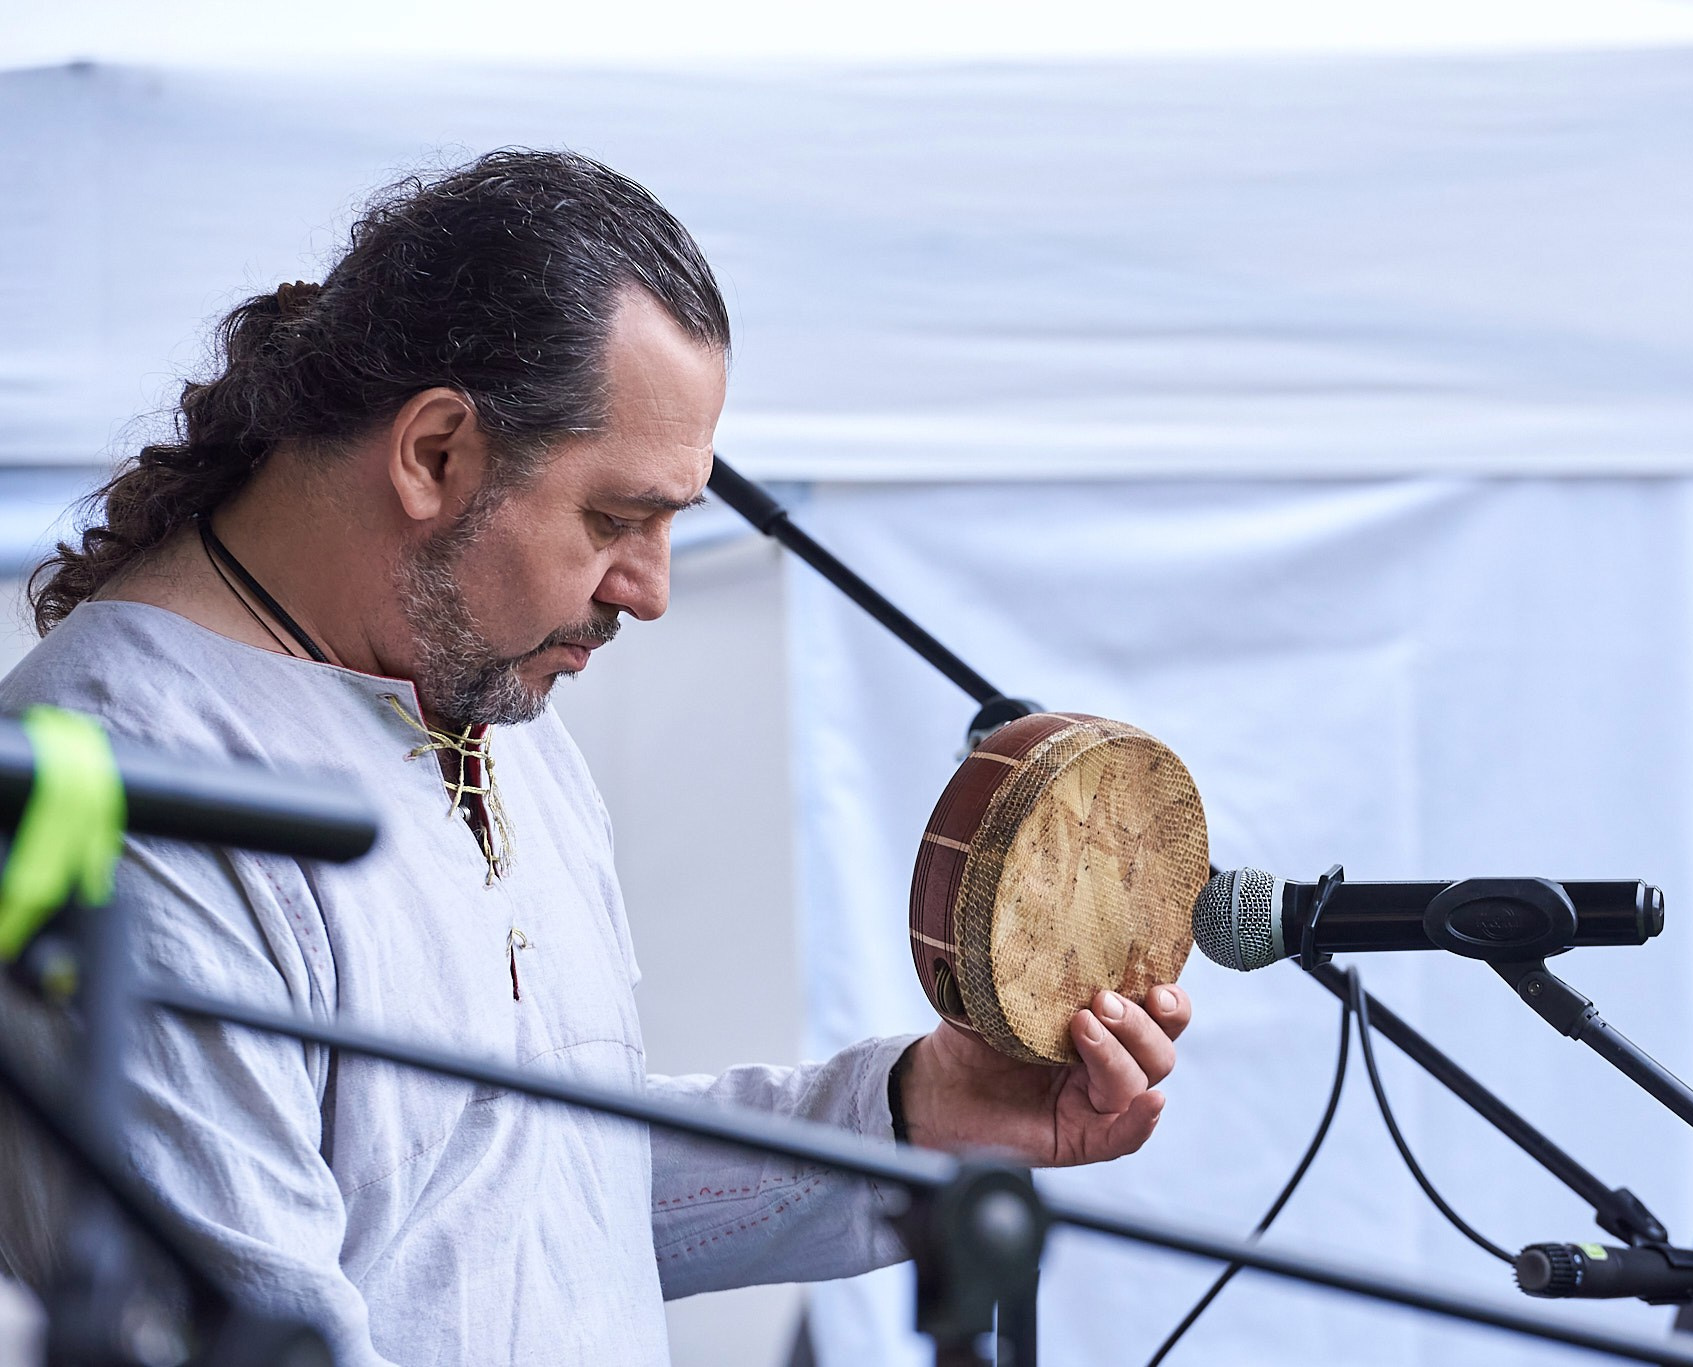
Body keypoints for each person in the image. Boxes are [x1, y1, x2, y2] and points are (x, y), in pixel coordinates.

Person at [0, 149, 1189, 1364]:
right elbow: (251, 1336)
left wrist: (909, 1115)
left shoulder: (490, 699)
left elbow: (545, 1201)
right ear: (435, 452)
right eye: (615, 518)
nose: (651, 588)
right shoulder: (126, 780)